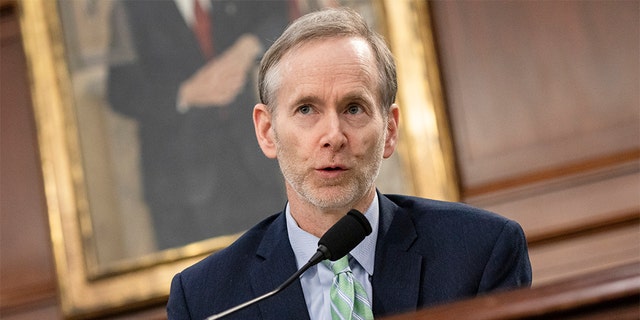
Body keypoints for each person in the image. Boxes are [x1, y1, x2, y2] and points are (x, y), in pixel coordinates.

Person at [167, 7, 532, 320]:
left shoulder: (481, 252)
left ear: (389, 130)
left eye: (353, 108)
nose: (333, 135)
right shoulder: (204, 299)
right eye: (306, 109)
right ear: (266, 131)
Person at [106, 0, 292, 249]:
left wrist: (246, 48)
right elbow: (121, 91)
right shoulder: (132, 8)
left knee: (273, 262)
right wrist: (186, 94)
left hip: (251, 167)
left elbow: (281, 17)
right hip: (179, 182)